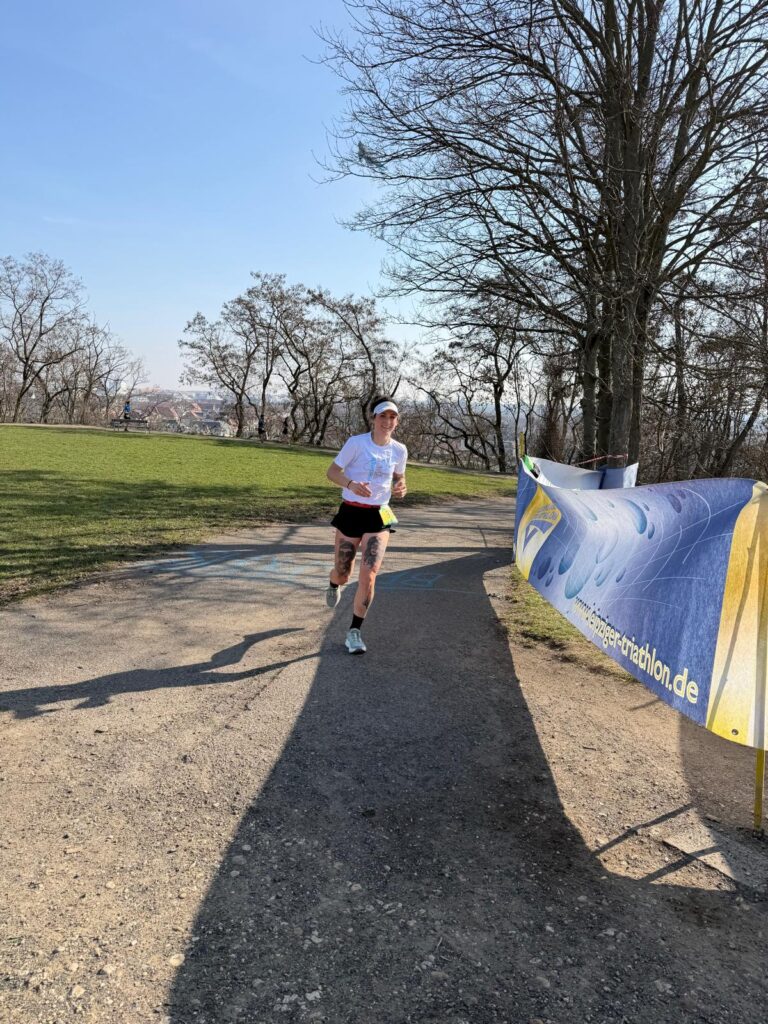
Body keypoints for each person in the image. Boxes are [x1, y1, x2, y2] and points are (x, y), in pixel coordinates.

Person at [325, 396, 408, 654]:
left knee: (369, 574)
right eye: (383, 416)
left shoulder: (399, 450)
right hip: (351, 511)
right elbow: (332, 472)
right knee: (343, 572)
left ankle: (354, 632)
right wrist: (351, 484)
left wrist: (401, 486)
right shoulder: (356, 443)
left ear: (397, 421)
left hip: (379, 515)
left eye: (392, 417)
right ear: (373, 418)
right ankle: (334, 583)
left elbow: (400, 476)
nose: (387, 421)